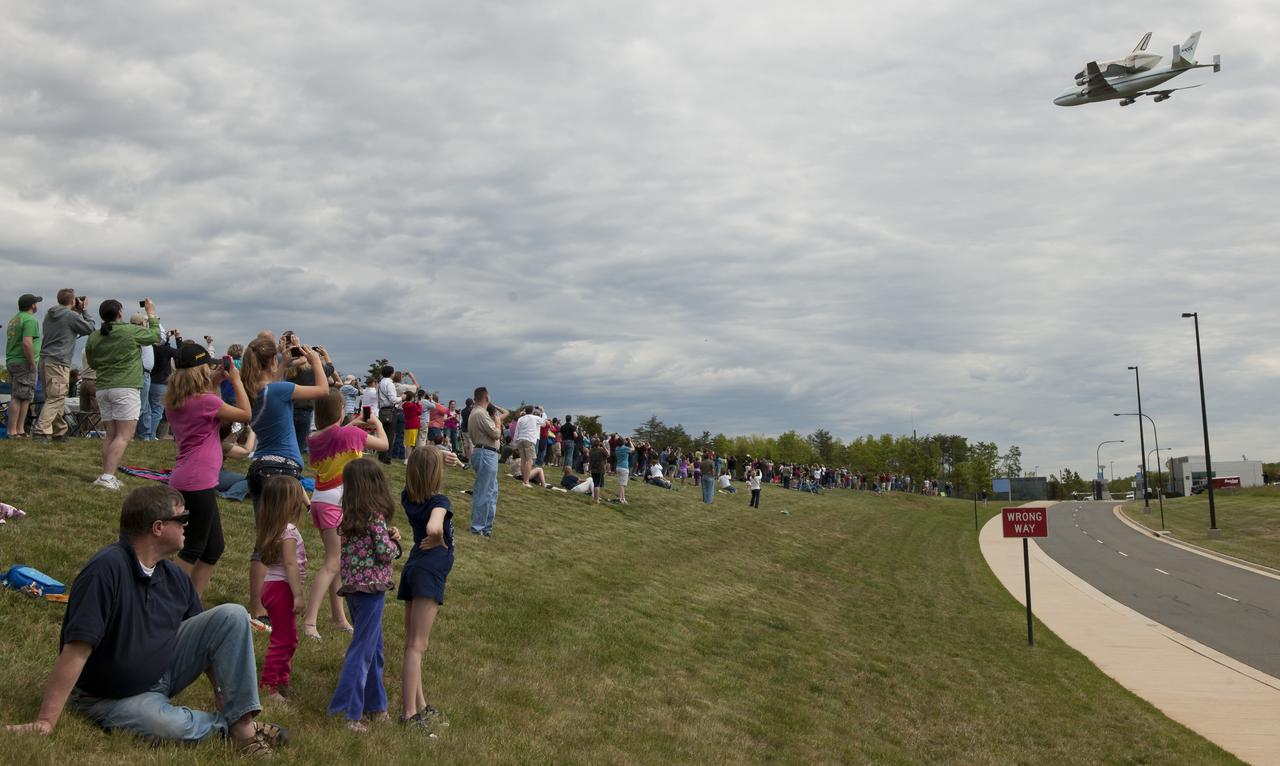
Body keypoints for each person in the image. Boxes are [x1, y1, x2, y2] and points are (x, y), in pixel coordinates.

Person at [3, 485, 287, 756]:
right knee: (168, 726)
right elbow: (76, 649)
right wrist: (46, 721)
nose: (187, 525)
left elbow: (211, 641)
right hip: (110, 695)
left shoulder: (174, 576)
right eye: (183, 518)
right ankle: (233, 729)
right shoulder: (105, 571)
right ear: (158, 527)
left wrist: (220, 690)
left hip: (164, 668)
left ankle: (242, 726)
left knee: (232, 615)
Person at [240, 336, 329, 632]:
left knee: (265, 540)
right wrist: (316, 360)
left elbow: (272, 385)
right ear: (272, 362)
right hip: (281, 470)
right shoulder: (279, 390)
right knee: (275, 542)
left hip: (260, 468)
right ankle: (262, 608)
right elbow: (322, 390)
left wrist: (283, 363)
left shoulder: (255, 392)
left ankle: (260, 606)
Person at [164, 343, 251, 597]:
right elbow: (246, 414)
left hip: (188, 477)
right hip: (198, 481)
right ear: (199, 370)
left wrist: (214, 381)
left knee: (213, 547)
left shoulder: (176, 400)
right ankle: (170, 599)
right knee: (193, 548)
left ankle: (191, 602)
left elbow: (210, 411)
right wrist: (235, 380)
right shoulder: (204, 401)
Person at [303, 390, 388, 641]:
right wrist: (378, 424)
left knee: (337, 561)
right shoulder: (350, 434)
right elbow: (382, 445)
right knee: (332, 563)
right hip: (337, 503)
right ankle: (310, 621)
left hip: (319, 500)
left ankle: (339, 617)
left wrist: (352, 425)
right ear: (341, 410)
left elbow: (334, 435)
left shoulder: (314, 437)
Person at [329, 458, 402, 732]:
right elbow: (384, 553)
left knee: (375, 649)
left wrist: (387, 535)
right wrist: (396, 543)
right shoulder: (375, 515)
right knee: (362, 650)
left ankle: (375, 704)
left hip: (353, 589)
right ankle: (346, 711)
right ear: (376, 486)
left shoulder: (350, 515)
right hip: (371, 590)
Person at [398, 448, 454, 728]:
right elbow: (434, 527)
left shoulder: (407, 497)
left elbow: (421, 464)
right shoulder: (439, 501)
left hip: (414, 567)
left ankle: (420, 704)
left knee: (412, 643)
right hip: (428, 572)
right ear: (437, 474)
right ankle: (409, 713)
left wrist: (434, 455)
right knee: (417, 646)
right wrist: (439, 536)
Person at [83, 299, 163, 489]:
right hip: (125, 387)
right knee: (124, 436)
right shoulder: (129, 331)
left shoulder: (94, 336)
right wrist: (151, 313)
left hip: (103, 387)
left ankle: (105, 475)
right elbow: (155, 336)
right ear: (120, 313)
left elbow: (93, 363)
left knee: (111, 434)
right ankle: (108, 476)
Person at [256, 477, 309, 706]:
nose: (300, 500)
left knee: (290, 637)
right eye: (297, 496)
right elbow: (290, 565)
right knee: (282, 639)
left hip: (272, 586)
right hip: (282, 589)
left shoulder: (275, 527)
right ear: (287, 502)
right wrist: (297, 594)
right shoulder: (287, 531)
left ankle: (282, 678)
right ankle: (268, 686)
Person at [33, 290, 95, 442]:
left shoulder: (50, 314)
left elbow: (64, 324)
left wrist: (74, 310)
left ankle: (59, 431)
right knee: (56, 397)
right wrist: (84, 311)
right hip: (59, 361)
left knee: (54, 397)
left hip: (45, 360)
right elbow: (90, 329)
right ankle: (41, 431)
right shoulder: (71, 316)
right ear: (73, 301)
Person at [466, 387, 506, 538]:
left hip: (487, 453)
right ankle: (477, 528)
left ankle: (486, 527)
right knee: (484, 492)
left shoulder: (476, 413)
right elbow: (495, 434)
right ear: (487, 397)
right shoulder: (480, 414)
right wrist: (497, 422)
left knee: (491, 492)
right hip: (485, 453)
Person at [5, 293, 43, 438]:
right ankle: (13, 431)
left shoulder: (15, 319)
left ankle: (20, 430)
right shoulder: (30, 320)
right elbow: (27, 343)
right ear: (32, 305)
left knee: (25, 396)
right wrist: (32, 363)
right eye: (36, 303)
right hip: (24, 362)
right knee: (18, 397)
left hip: (13, 360)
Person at [513, 406, 545, 487]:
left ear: (525, 411)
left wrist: (514, 443)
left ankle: (524, 478)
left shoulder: (521, 419)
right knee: (530, 461)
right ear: (532, 411)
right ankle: (526, 481)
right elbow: (544, 423)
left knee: (523, 460)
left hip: (520, 439)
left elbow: (517, 431)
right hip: (529, 440)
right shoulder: (535, 418)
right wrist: (543, 411)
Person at [375, 366, 398, 464]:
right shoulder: (389, 383)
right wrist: (402, 397)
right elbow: (393, 399)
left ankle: (381, 456)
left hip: (382, 410)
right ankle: (387, 458)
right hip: (390, 410)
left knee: (383, 434)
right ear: (391, 373)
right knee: (390, 435)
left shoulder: (380, 383)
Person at [401, 391, 422, 462]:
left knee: (407, 443)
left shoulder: (405, 405)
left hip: (408, 425)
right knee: (411, 443)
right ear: (412, 398)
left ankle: (407, 457)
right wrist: (419, 404)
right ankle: (407, 459)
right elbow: (419, 411)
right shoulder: (413, 405)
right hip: (413, 425)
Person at [588, 438, 608, 505]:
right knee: (597, 485)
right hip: (599, 469)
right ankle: (596, 499)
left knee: (595, 484)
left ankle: (595, 498)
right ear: (599, 444)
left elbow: (590, 460)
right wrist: (604, 446)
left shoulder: (591, 451)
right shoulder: (601, 450)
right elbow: (607, 454)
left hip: (593, 469)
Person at [614, 437, 632, 504]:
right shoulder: (625, 448)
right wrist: (630, 441)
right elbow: (633, 449)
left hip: (618, 467)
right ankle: (621, 499)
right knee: (622, 485)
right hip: (624, 468)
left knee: (622, 484)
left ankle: (622, 498)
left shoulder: (617, 448)